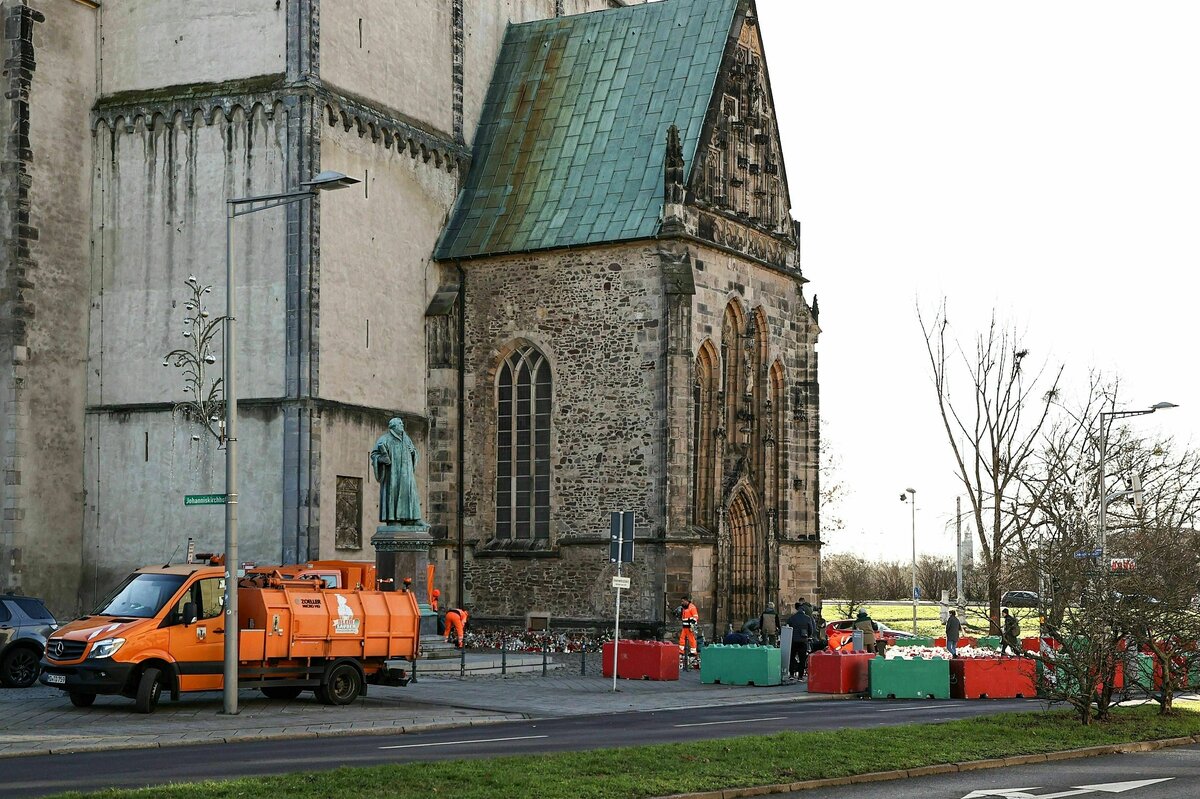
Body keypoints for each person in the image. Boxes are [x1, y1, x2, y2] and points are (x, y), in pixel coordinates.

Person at [370, 417, 423, 524]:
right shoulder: (384, 439)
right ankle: (392, 519)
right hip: (393, 474)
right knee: (392, 494)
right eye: (400, 424)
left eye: (402, 423)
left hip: (407, 474)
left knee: (410, 493)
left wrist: (413, 453)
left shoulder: (407, 439)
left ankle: (412, 519)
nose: (402, 425)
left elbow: (414, 453)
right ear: (393, 426)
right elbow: (374, 455)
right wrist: (382, 459)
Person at [787, 602, 816, 679]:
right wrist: (808, 636)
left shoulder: (792, 618)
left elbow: (787, 627)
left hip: (793, 640)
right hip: (803, 641)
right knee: (802, 658)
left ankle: (792, 674)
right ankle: (800, 676)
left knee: (792, 657)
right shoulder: (807, 618)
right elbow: (811, 630)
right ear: (804, 611)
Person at [677, 597, 699, 668]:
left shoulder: (692, 607)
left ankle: (693, 653)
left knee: (691, 639)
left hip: (690, 627)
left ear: (686, 601)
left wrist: (693, 623)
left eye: (683, 601)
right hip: (685, 627)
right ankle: (681, 652)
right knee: (682, 639)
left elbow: (695, 616)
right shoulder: (684, 608)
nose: (682, 603)